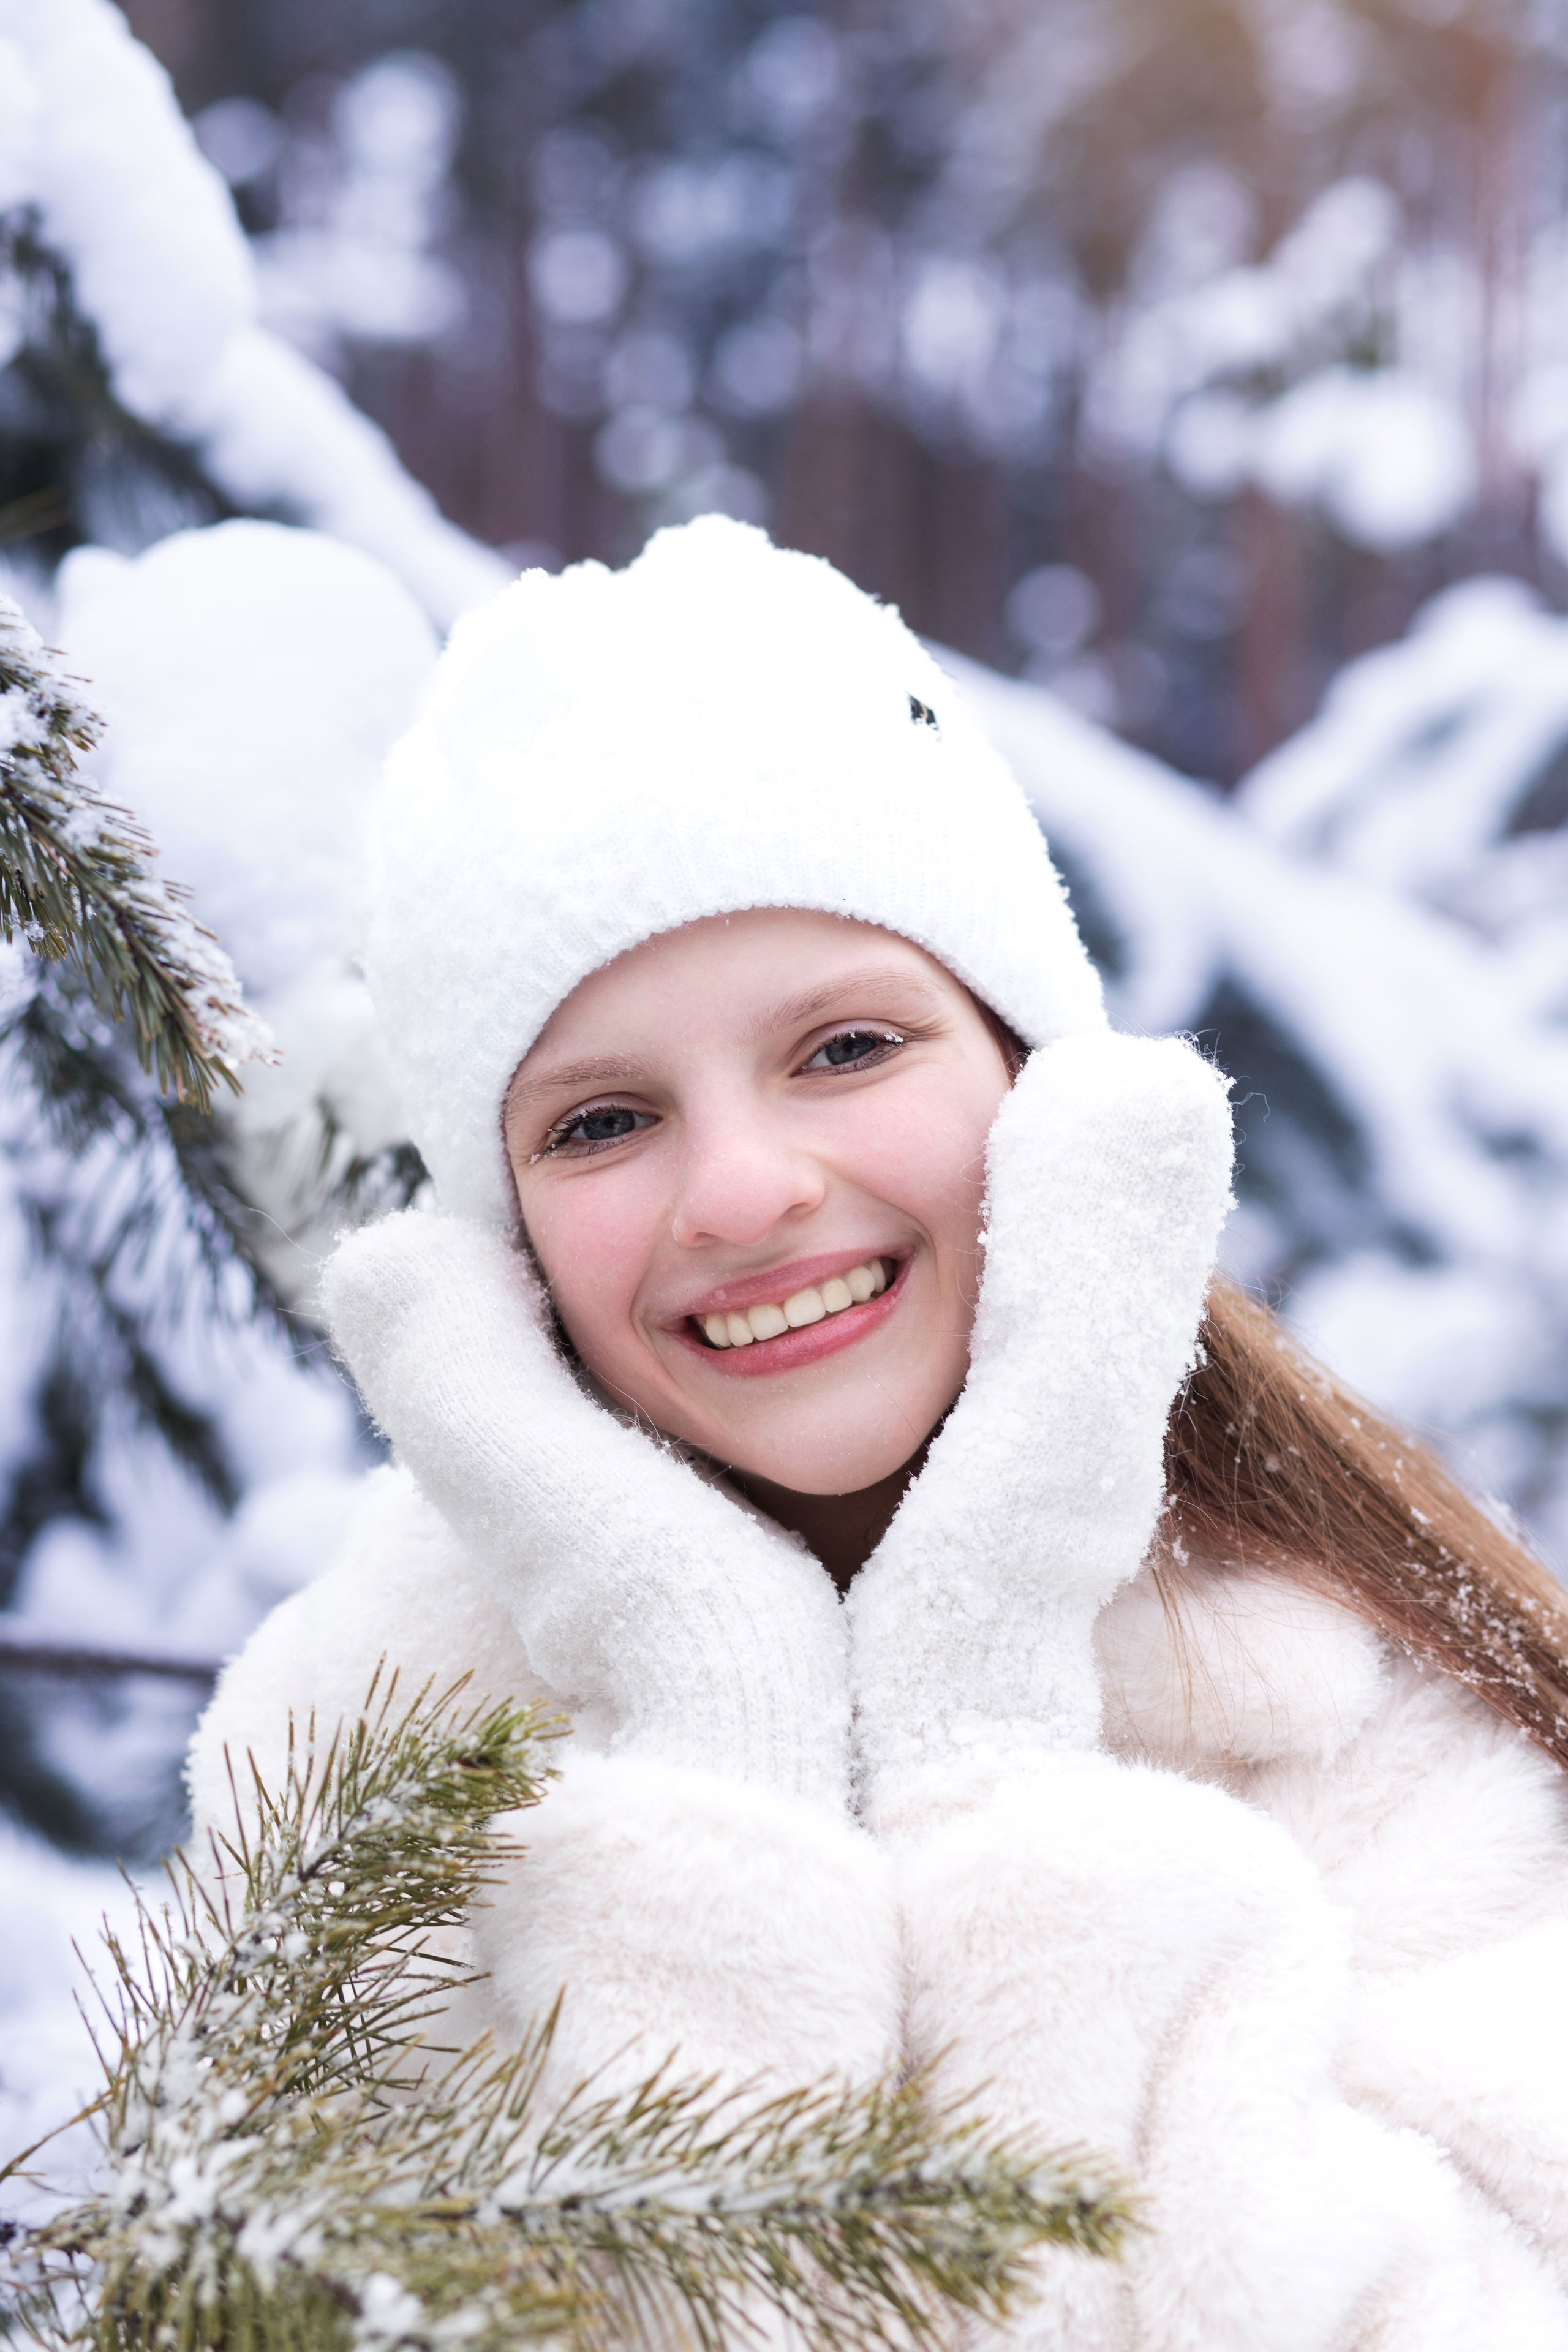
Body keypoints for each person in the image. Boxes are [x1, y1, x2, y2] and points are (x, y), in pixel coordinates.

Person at [190, 517, 1568, 2347]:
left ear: (1044, 1095)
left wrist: (982, 1740)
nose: (745, 1192)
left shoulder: (1390, 1706)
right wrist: (710, 1725)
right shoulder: (358, 1765)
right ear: (500, 1251)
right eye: (602, 1124)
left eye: (845, 1048)